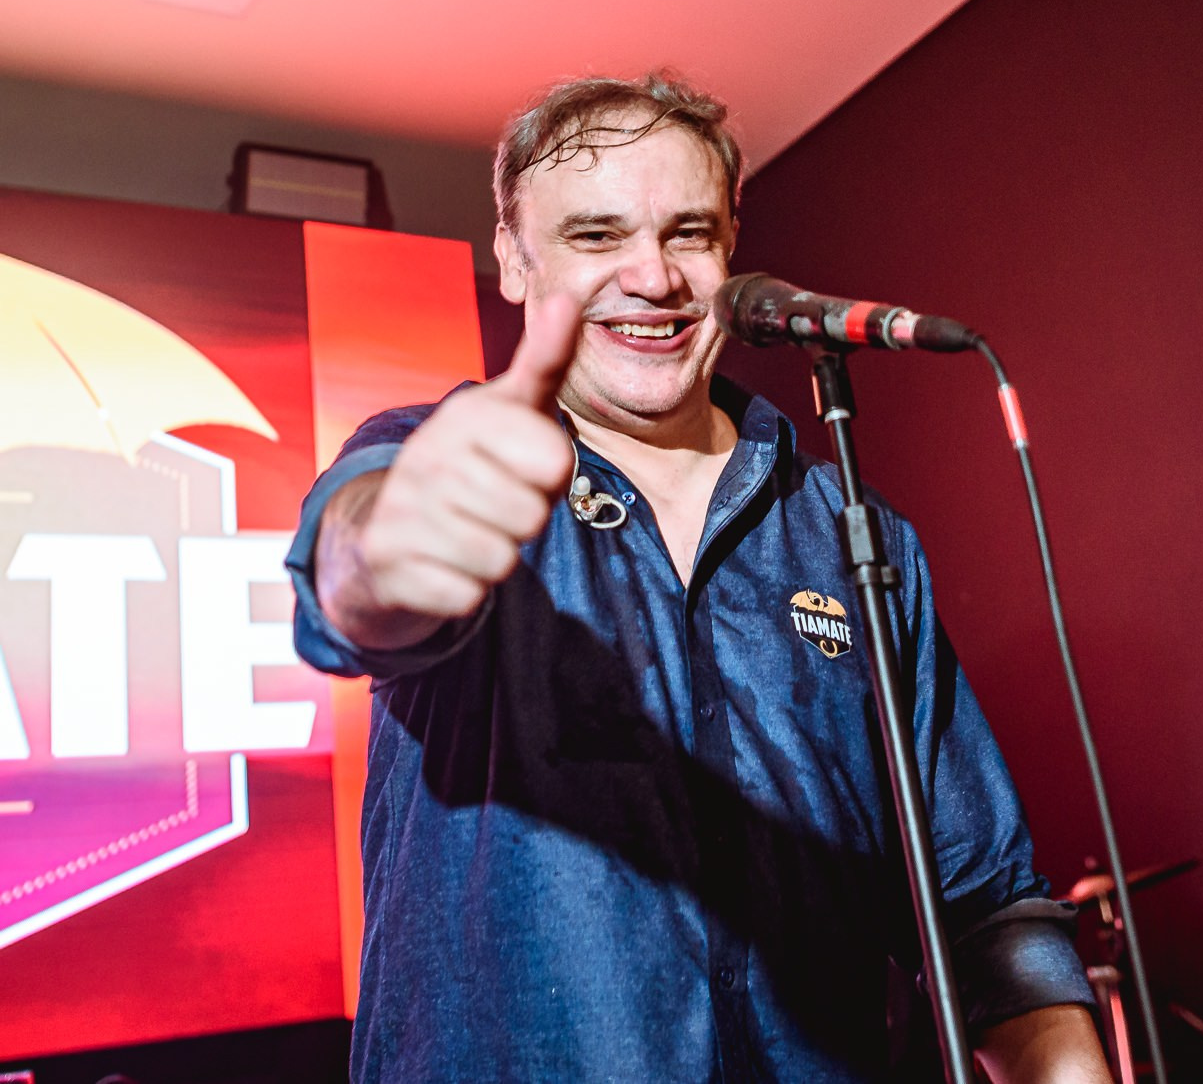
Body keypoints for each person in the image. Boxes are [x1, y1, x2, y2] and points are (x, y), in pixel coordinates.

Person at [287, 72, 1109, 1083]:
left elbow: (979, 900)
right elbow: (354, 582)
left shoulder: (852, 532)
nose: (653, 275)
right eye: (595, 237)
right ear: (513, 258)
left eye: (687, 232)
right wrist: (404, 539)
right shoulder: (428, 453)